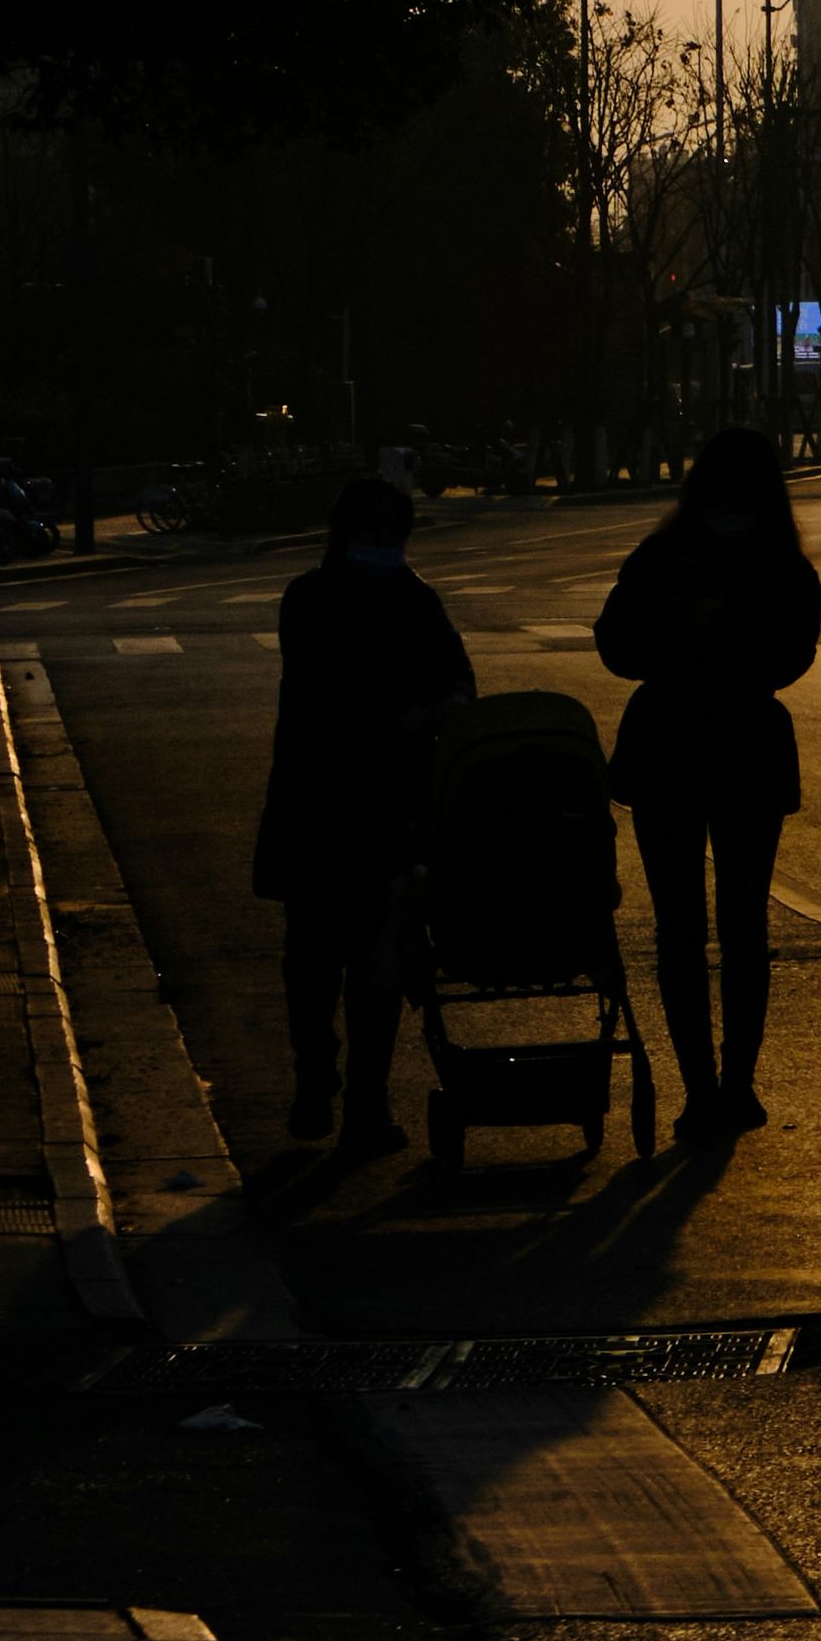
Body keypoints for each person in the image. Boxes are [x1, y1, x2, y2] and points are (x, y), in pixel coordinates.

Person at [595, 428, 821, 1137]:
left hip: (681, 742)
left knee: (692, 931)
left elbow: (619, 646)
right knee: (728, 928)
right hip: (733, 746)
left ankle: (713, 1087)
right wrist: (691, 633)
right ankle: (723, 1085)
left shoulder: (670, 556)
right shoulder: (778, 564)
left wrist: (712, 634)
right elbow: (622, 644)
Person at [252, 479, 472, 1151]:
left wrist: (434, 713)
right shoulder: (318, 599)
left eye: (392, 533)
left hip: (371, 803)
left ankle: (360, 1102)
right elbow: (326, 693)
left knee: (371, 959)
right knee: (320, 957)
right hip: (332, 797)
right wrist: (406, 721)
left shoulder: (408, 599)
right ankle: (319, 1080)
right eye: (372, 532)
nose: (383, 545)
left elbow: (460, 682)